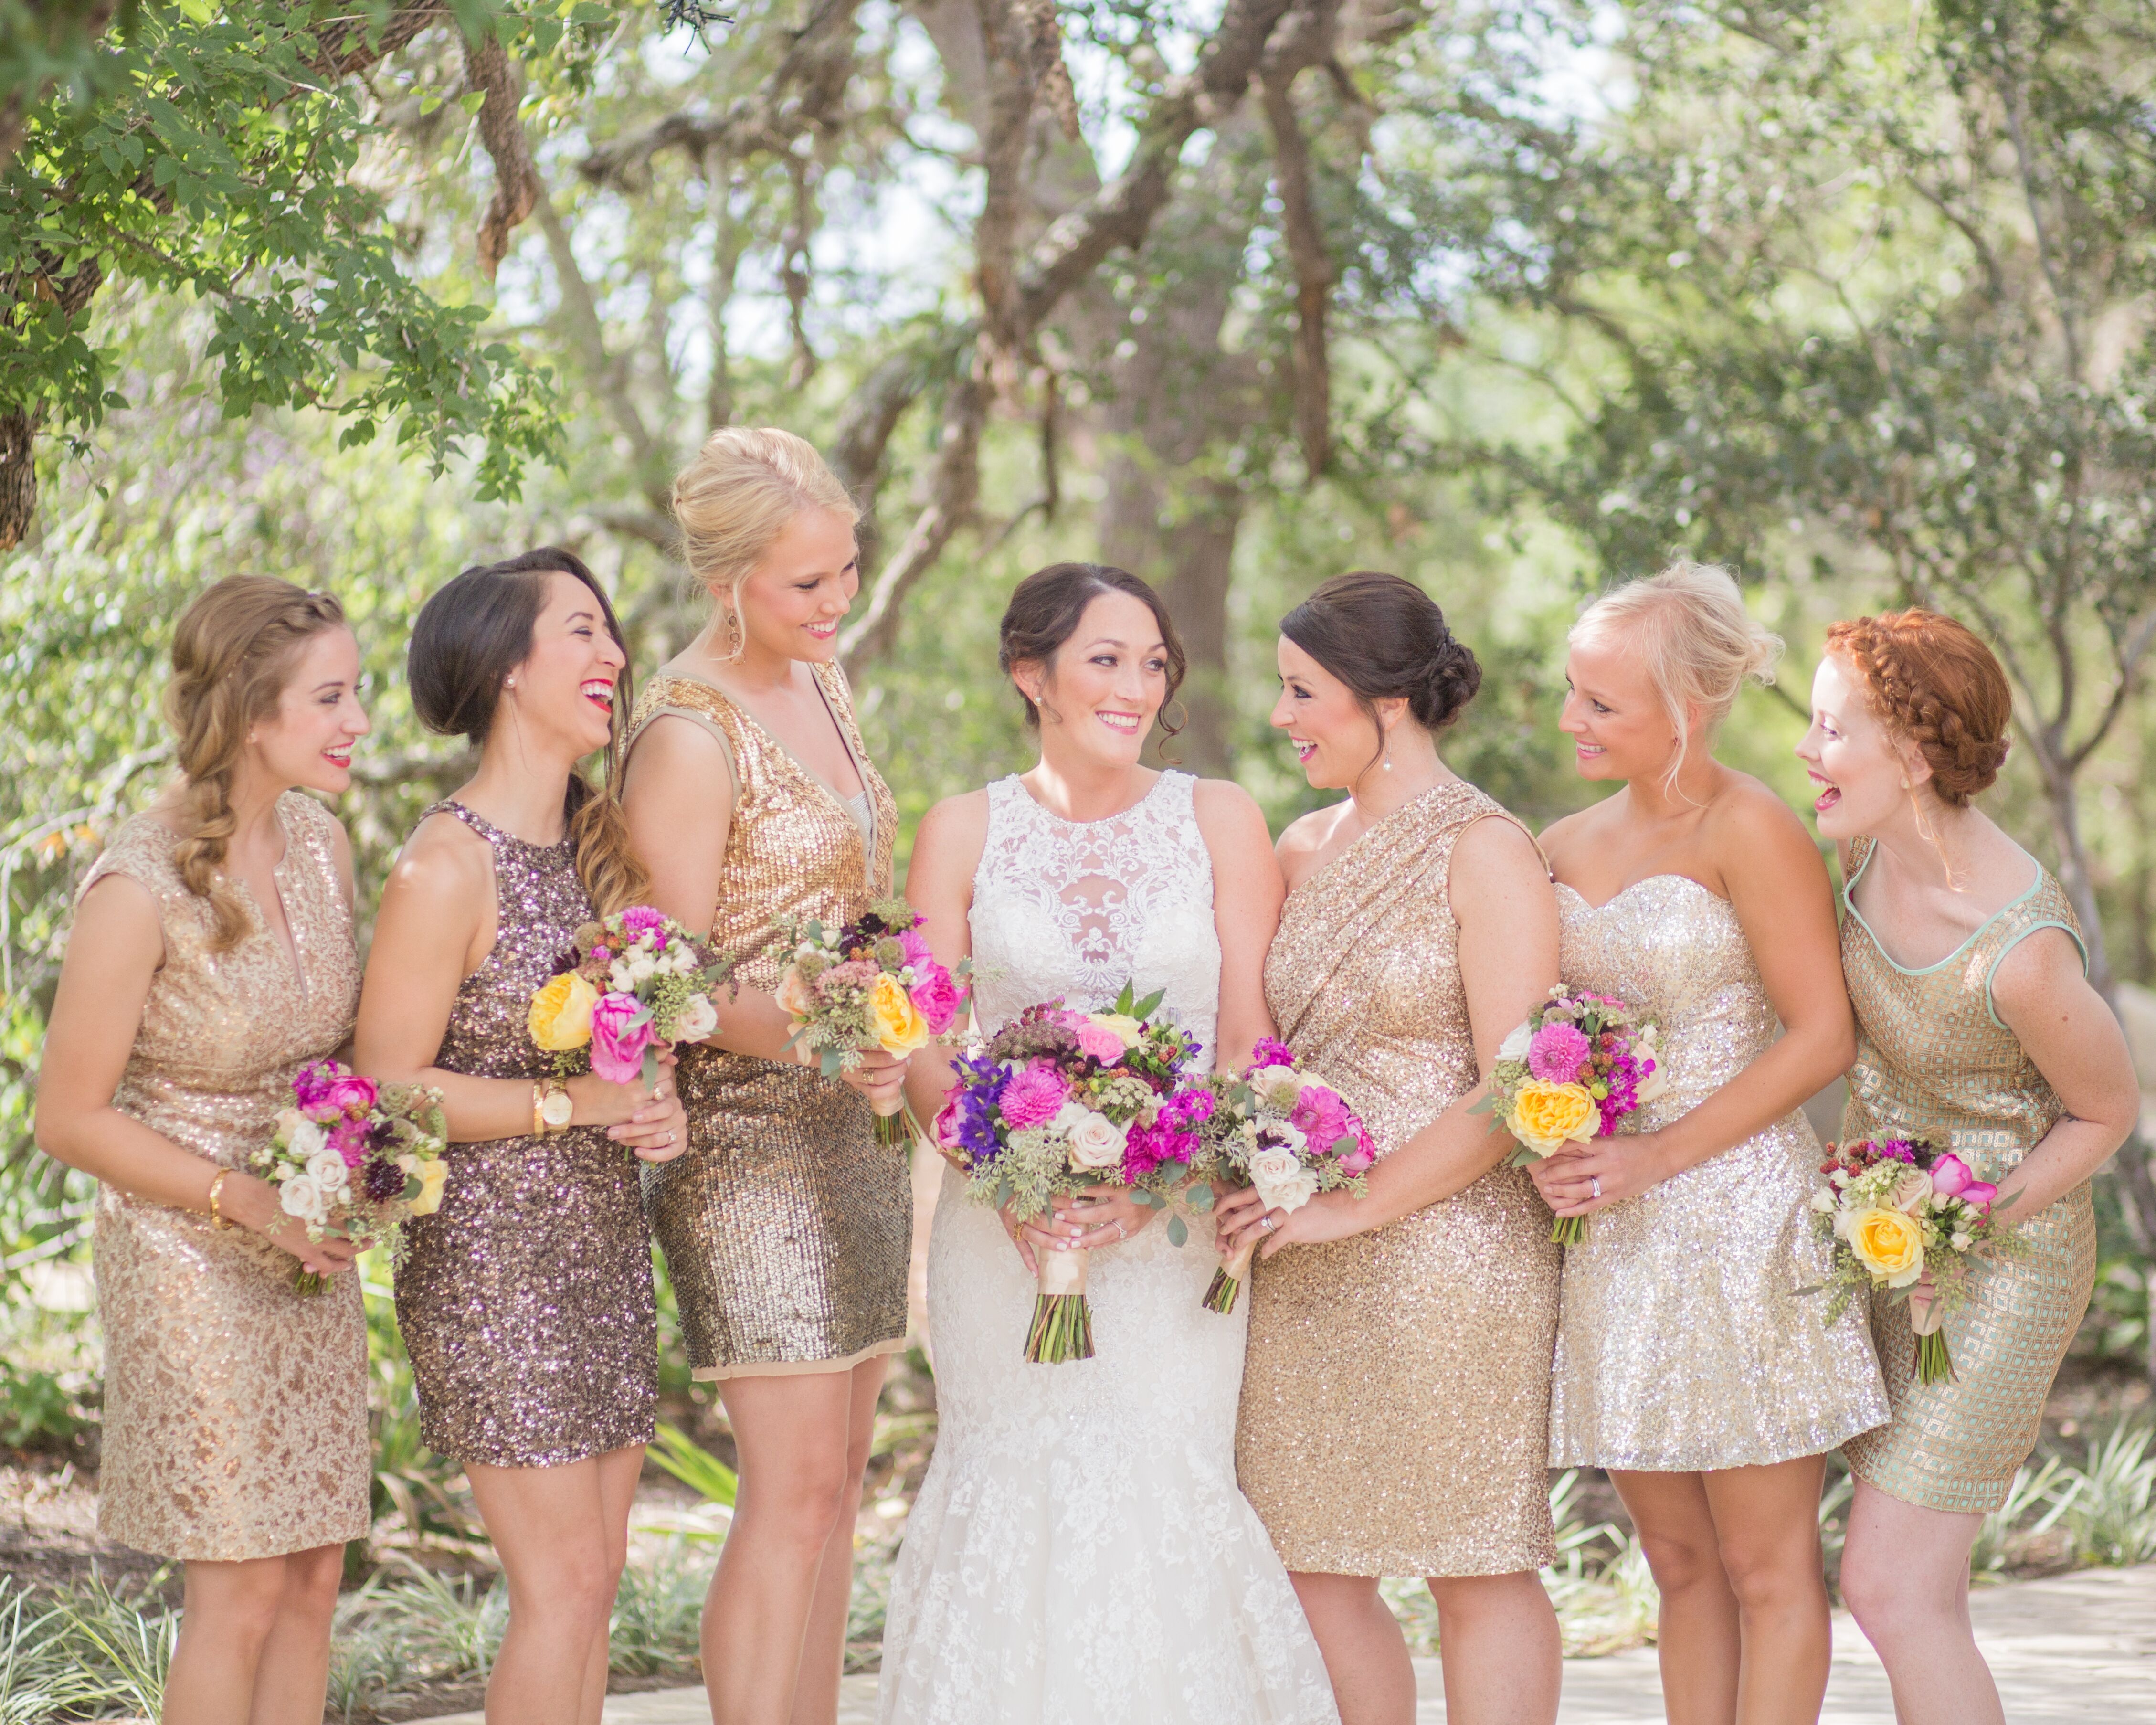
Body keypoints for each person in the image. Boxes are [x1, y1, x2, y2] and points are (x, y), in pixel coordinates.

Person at [878, 560, 1333, 1725]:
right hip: (1001, 1232)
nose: (1135, 685)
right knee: (1009, 1491)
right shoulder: (962, 827)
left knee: (1163, 1492)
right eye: (1104, 659)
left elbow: (1246, 1038)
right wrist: (1006, 1181)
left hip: (1171, 1242)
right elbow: (926, 1038)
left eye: (1152, 661)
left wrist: (1157, 1182)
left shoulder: (1218, 815)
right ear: (1030, 673)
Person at [1529, 563, 1886, 1725]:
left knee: (1765, 1568)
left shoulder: (1753, 828)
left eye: (1600, 703)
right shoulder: (1557, 843)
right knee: (1676, 1566)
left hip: (1740, 1226)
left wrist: (1656, 1154)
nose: (1570, 720)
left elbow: (1822, 1036)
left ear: (1688, 707)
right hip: (1614, 1236)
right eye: (1572, 693)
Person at [1216, 570, 1563, 1725]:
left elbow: (1515, 1089)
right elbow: (1255, 1048)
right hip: (1303, 1254)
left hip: (1451, 1254)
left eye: (1301, 690)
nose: (1280, 717)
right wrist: (1259, 1172)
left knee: (1474, 1561)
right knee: (1307, 1568)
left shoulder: (1485, 847)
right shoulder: (1297, 846)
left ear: (1384, 700)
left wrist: (1352, 1206)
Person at [356, 550, 687, 1725]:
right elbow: (389, 1089)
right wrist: (573, 1107)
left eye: (612, 635)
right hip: (490, 1265)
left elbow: (623, 1051)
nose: (614, 657)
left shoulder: (600, 850)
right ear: (504, 665)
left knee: (595, 1588)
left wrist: (650, 1096)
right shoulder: (443, 864)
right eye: (583, 632)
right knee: (560, 1589)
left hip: (597, 1248)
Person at [34, 576, 372, 1725]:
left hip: (307, 1238)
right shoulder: (138, 884)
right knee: (238, 1585)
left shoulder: (325, 844)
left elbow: (348, 1055)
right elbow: (67, 1116)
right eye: (330, 697)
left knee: (315, 1575)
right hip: (185, 1248)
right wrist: (250, 1201)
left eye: (357, 692)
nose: (358, 723)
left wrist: (355, 1174)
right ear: (247, 710)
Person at [618, 427, 913, 1725]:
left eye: (845, 570)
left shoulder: (824, 682)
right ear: (728, 578)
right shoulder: (685, 733)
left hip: (853, 1126)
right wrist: (829, 1042)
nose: (835, 602)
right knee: (785, 1489)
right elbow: (667, 978)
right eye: (806, 584)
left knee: (839, 1478)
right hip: (746, 1147)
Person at [1798, 608, 2136, 1725]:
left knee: (1889, 1588)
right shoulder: (1855, 856)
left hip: (2002, 1259)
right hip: (1874, 1239)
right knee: (1911, 1583)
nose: (1806, 751)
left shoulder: (2021, 951)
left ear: (1907, 750)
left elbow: (2105, 1111)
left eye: (1829, 728)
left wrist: (1963, 1219)